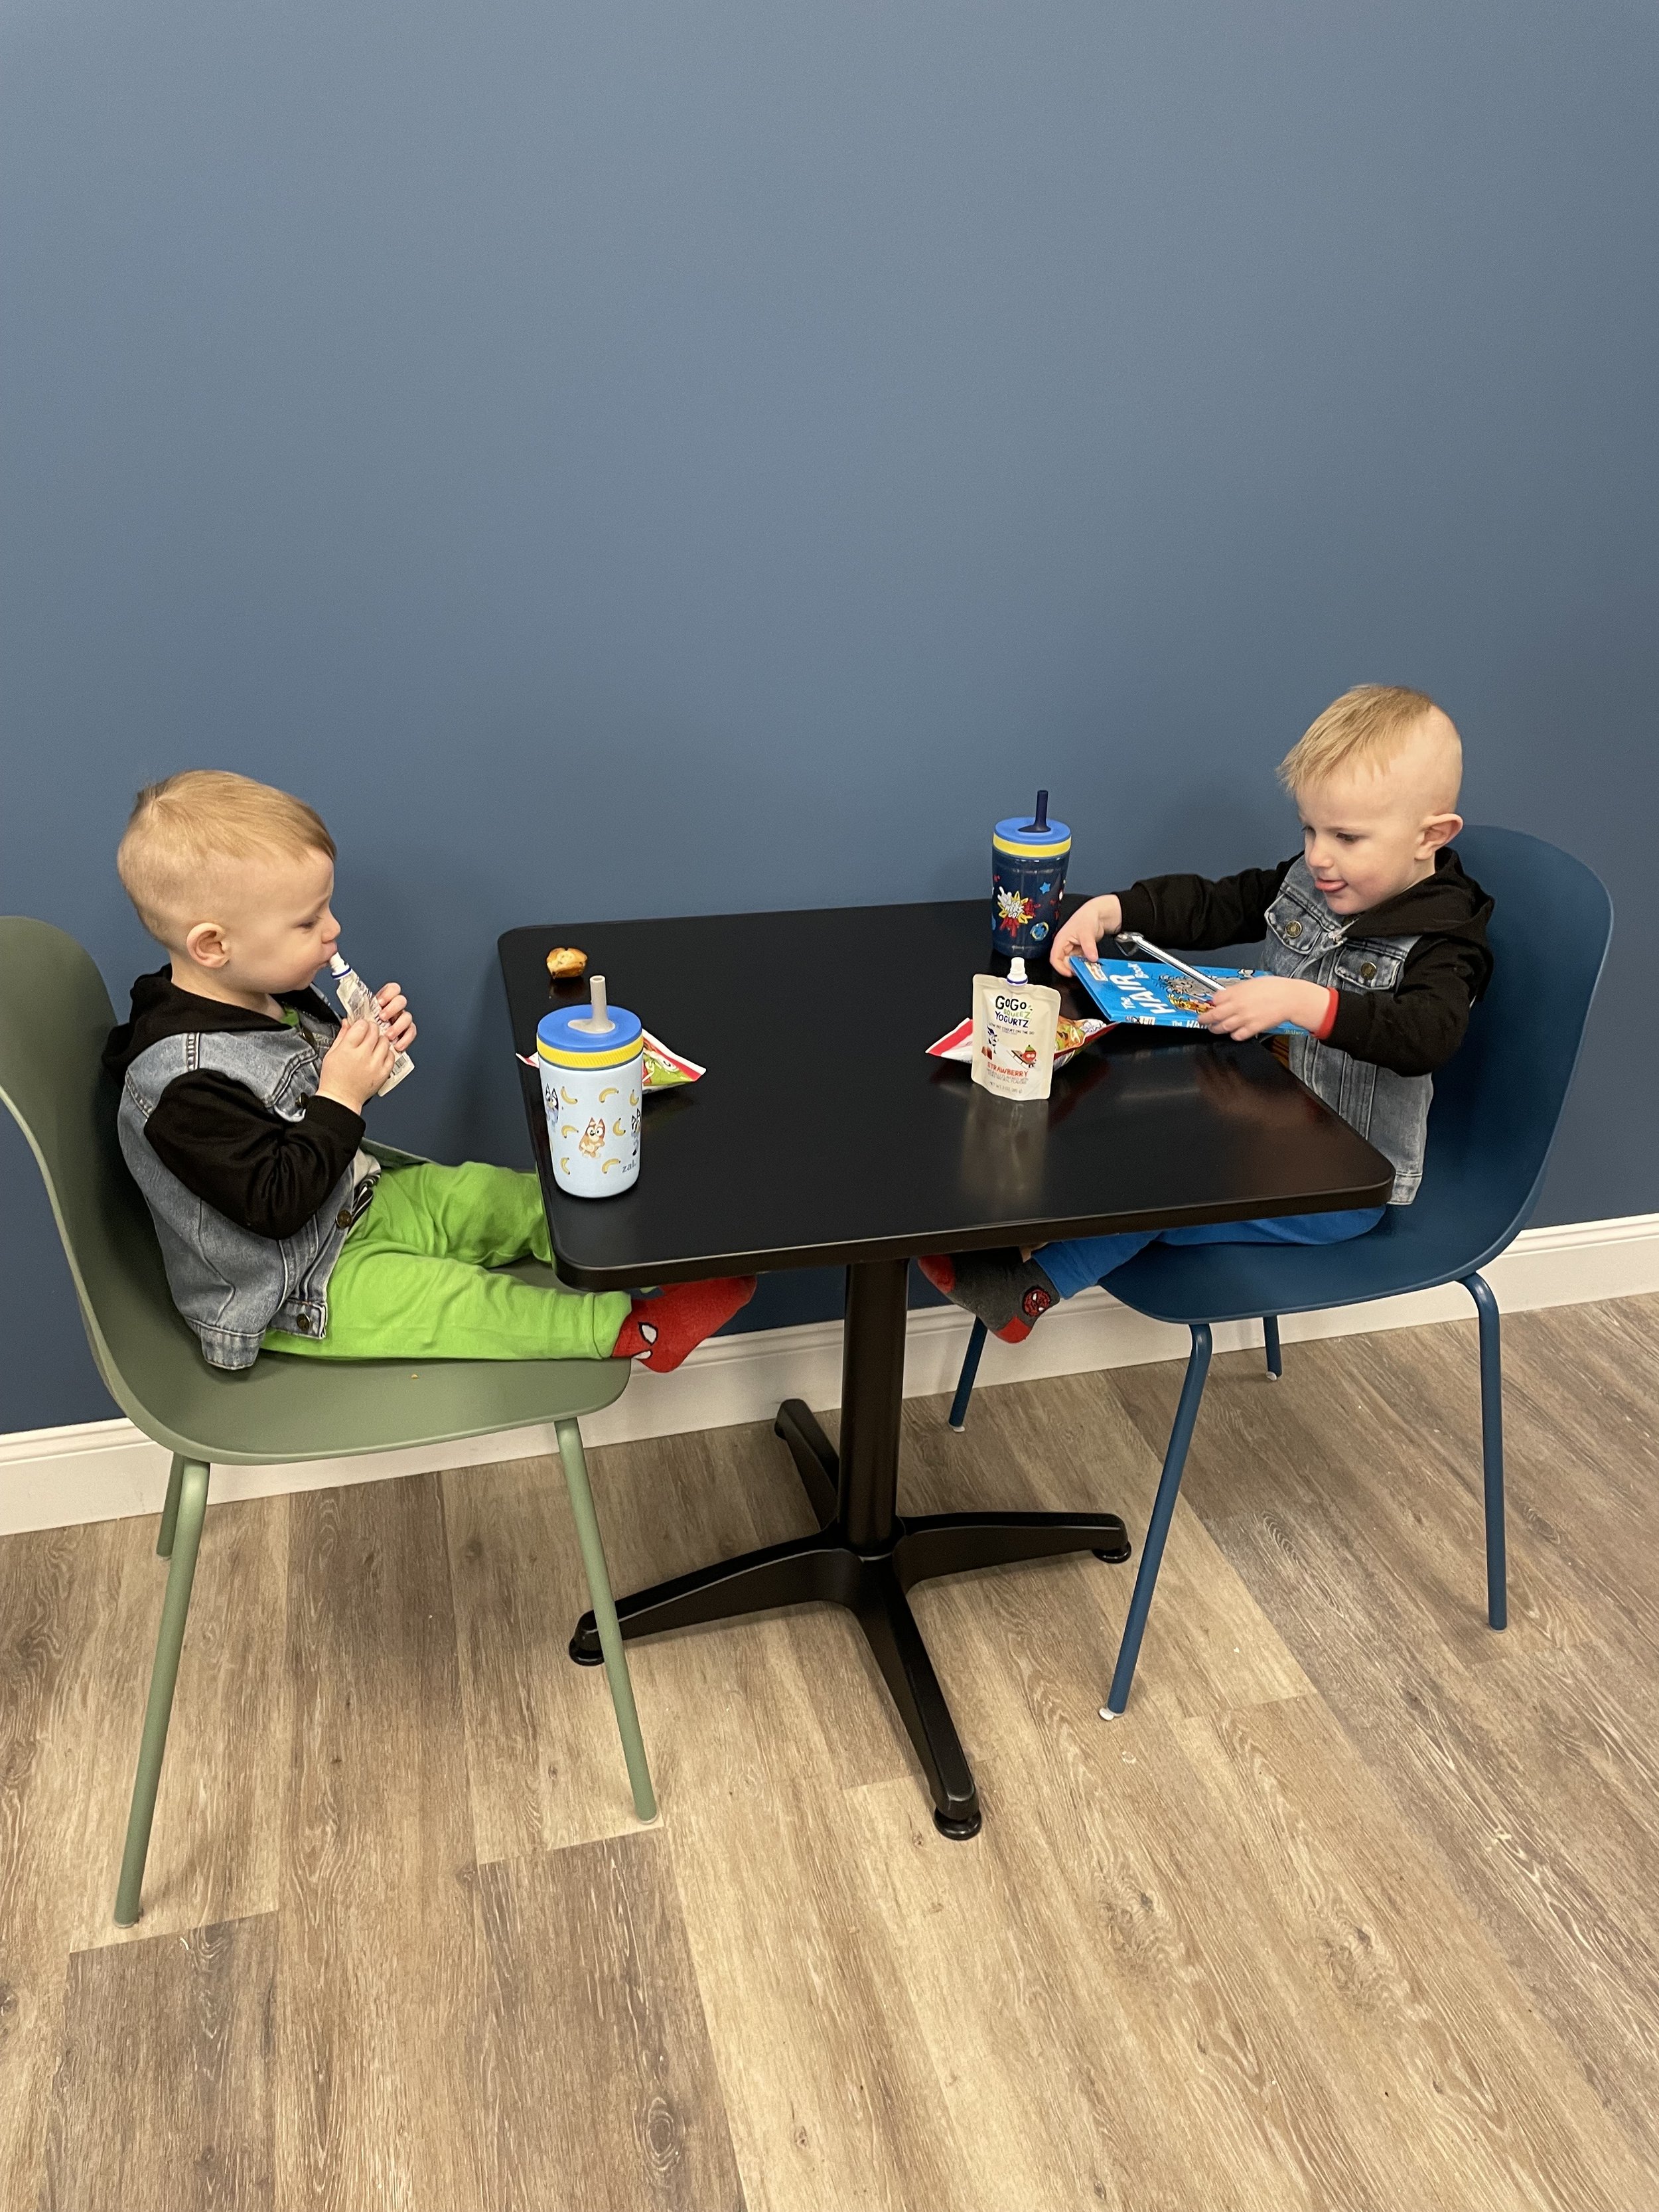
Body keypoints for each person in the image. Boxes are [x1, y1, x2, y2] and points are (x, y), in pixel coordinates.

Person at [104, 770, 753, 1372]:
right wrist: (342, 1092)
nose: (333, 931)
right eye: (307, 922)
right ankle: (635, 1331)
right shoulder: (180, 1087)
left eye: (326, 908)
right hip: (300, 1282)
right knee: (456, 1302)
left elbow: (307, 1105)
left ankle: (659, 1256)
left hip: (354, 1198)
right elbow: (273, 1203)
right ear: (213, 945)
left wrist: (370, 1052)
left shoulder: (264, 993)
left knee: (485, 1195)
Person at [922, 684, 1494, 1342]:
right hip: (1262, 1115)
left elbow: (1427, 1036)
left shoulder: (1445, 941)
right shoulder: (1315, 877)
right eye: (1309, 829)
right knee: (1117, 1115)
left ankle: (1026, 1292)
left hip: (1341, 1182)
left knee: (1168, 1188)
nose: (1318, 856)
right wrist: (1117, 911)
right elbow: (1222, 903)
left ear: (1431, 837)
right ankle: (1017, 1240)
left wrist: (1308, 1004)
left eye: (1346, 836)